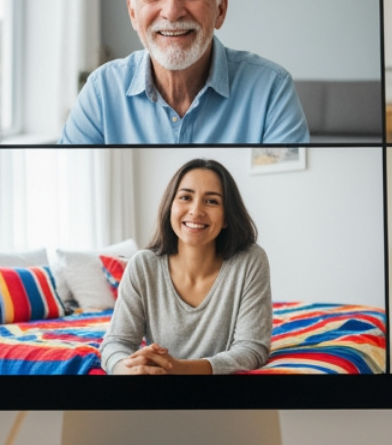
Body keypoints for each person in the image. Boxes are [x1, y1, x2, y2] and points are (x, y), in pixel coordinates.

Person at [59, 0, 309, 145]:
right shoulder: (101, 92)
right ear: (133, 13)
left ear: (220, 10)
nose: (172, 12)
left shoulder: (271, 90)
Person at [101, 158, 273, 375]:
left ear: (227, 216)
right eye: (185, 197)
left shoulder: (250, 261)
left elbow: (252, 349)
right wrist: (125, 369)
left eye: (211, 201)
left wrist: (179, 368)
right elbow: (117, 342)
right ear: (170, 207)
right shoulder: (143, 266)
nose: (196, 210)